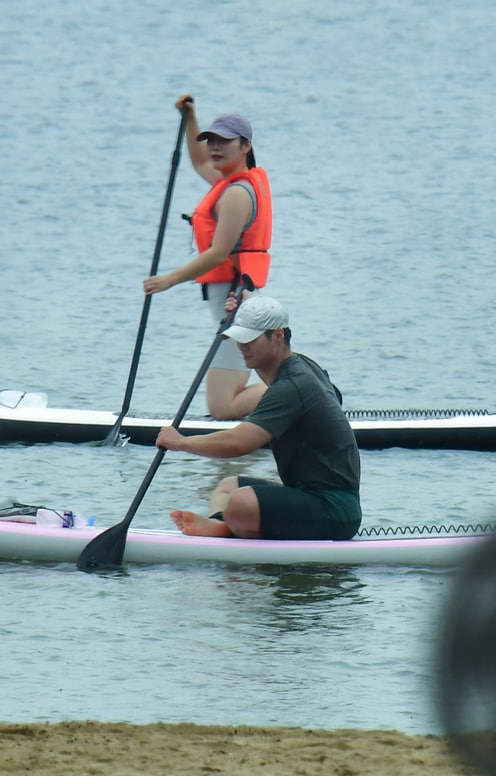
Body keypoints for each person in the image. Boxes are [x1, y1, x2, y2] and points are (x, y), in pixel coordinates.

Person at [156, 293, 361, 541]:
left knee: (240, 502)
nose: (242, 347)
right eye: (240, 338)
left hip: (334, 510)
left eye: (250, 339)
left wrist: (180, 443)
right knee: (228, 486)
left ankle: (227, 527)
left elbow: (238, 443)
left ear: (278, 336)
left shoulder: (292, 385)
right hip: (307, 495)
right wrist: (251, 307)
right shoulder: (303, 367)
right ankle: (223, 525)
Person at [143, 95, 274, 421]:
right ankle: (292, 390)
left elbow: (217, 254)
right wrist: (190, 119)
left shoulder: (235, 194)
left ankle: (303, 388)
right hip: (239, 303)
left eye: (224, 142)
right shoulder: (229, 181)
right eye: (211, 141)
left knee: (222, 407)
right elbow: (201, 162)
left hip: (237, 307)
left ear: (245, 146)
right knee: (222, 405)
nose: (215, 148)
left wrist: (169, 279)